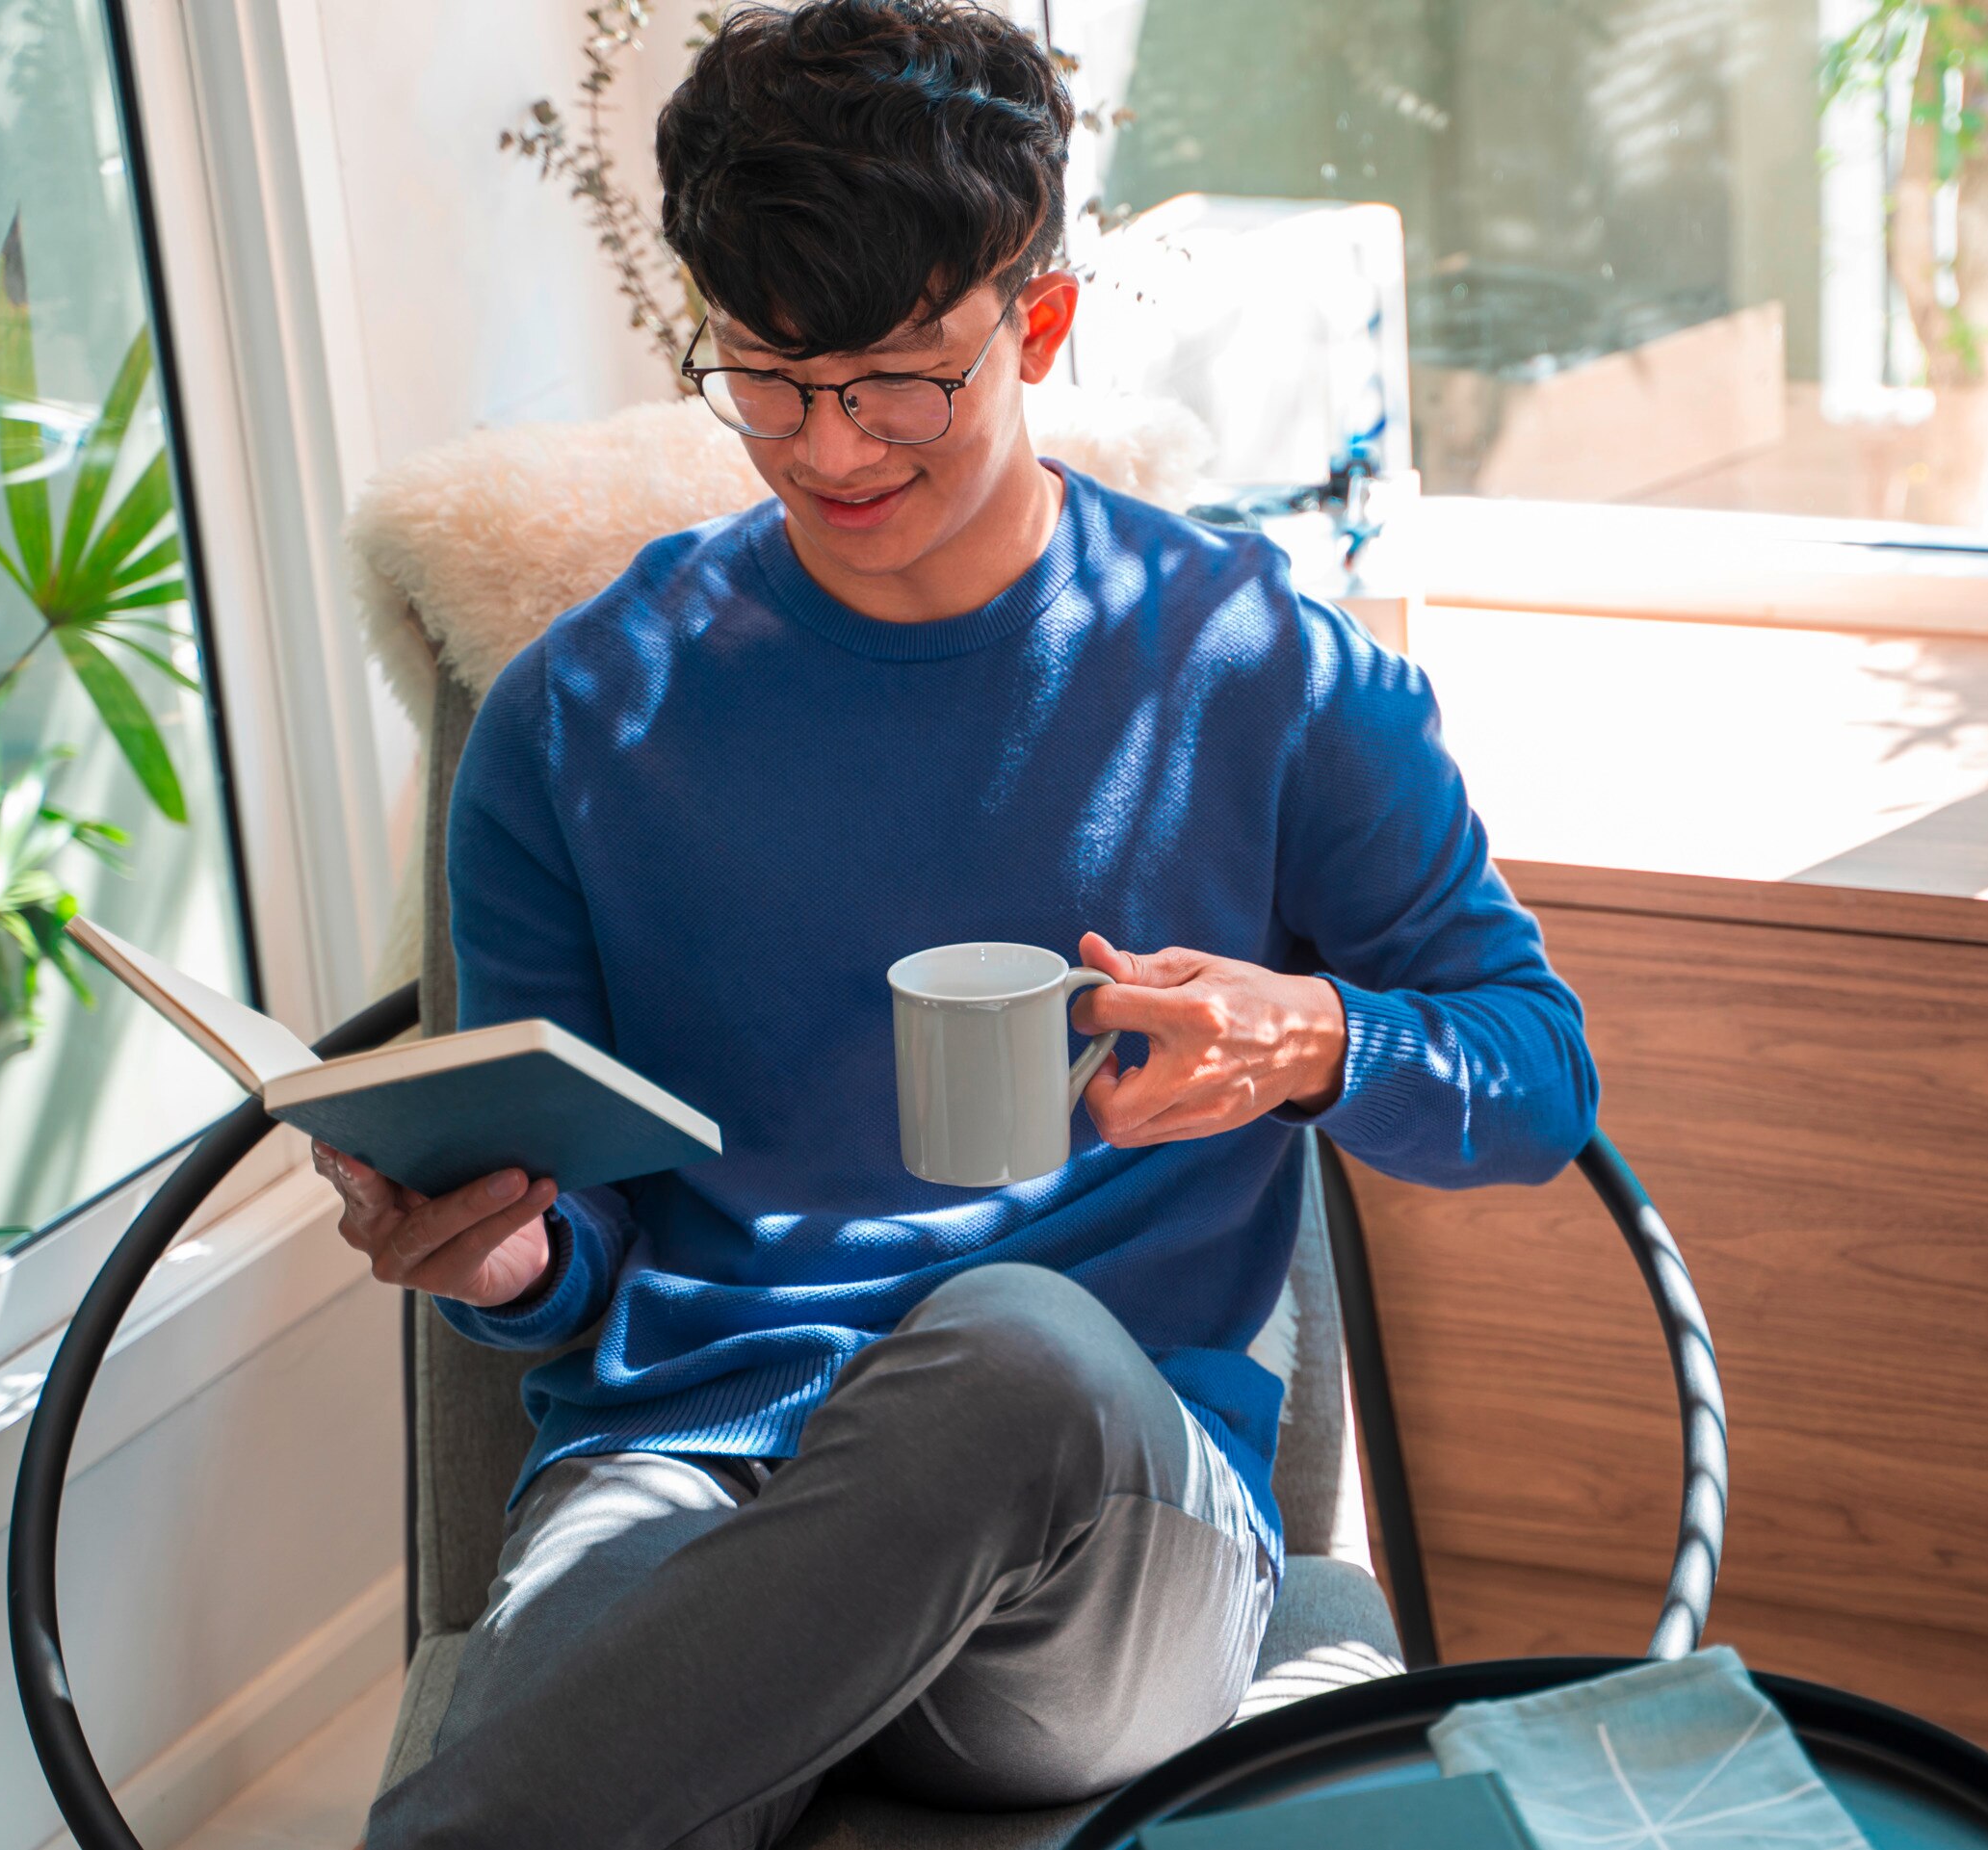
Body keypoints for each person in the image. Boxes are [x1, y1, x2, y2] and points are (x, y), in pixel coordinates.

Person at [341, 4, 1595, 1844]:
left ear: (1041, 324)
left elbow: (1540, 1074)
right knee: (609, 1691)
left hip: (1099, 1552)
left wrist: (1317, 1038)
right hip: (695, 1465)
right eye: (767, 376)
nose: (829, 446)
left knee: (1015, 1347)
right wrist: (511, 1255)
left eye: (898, 381)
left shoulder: (1260, 668)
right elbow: (579, 1238)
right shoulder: (577, 715)